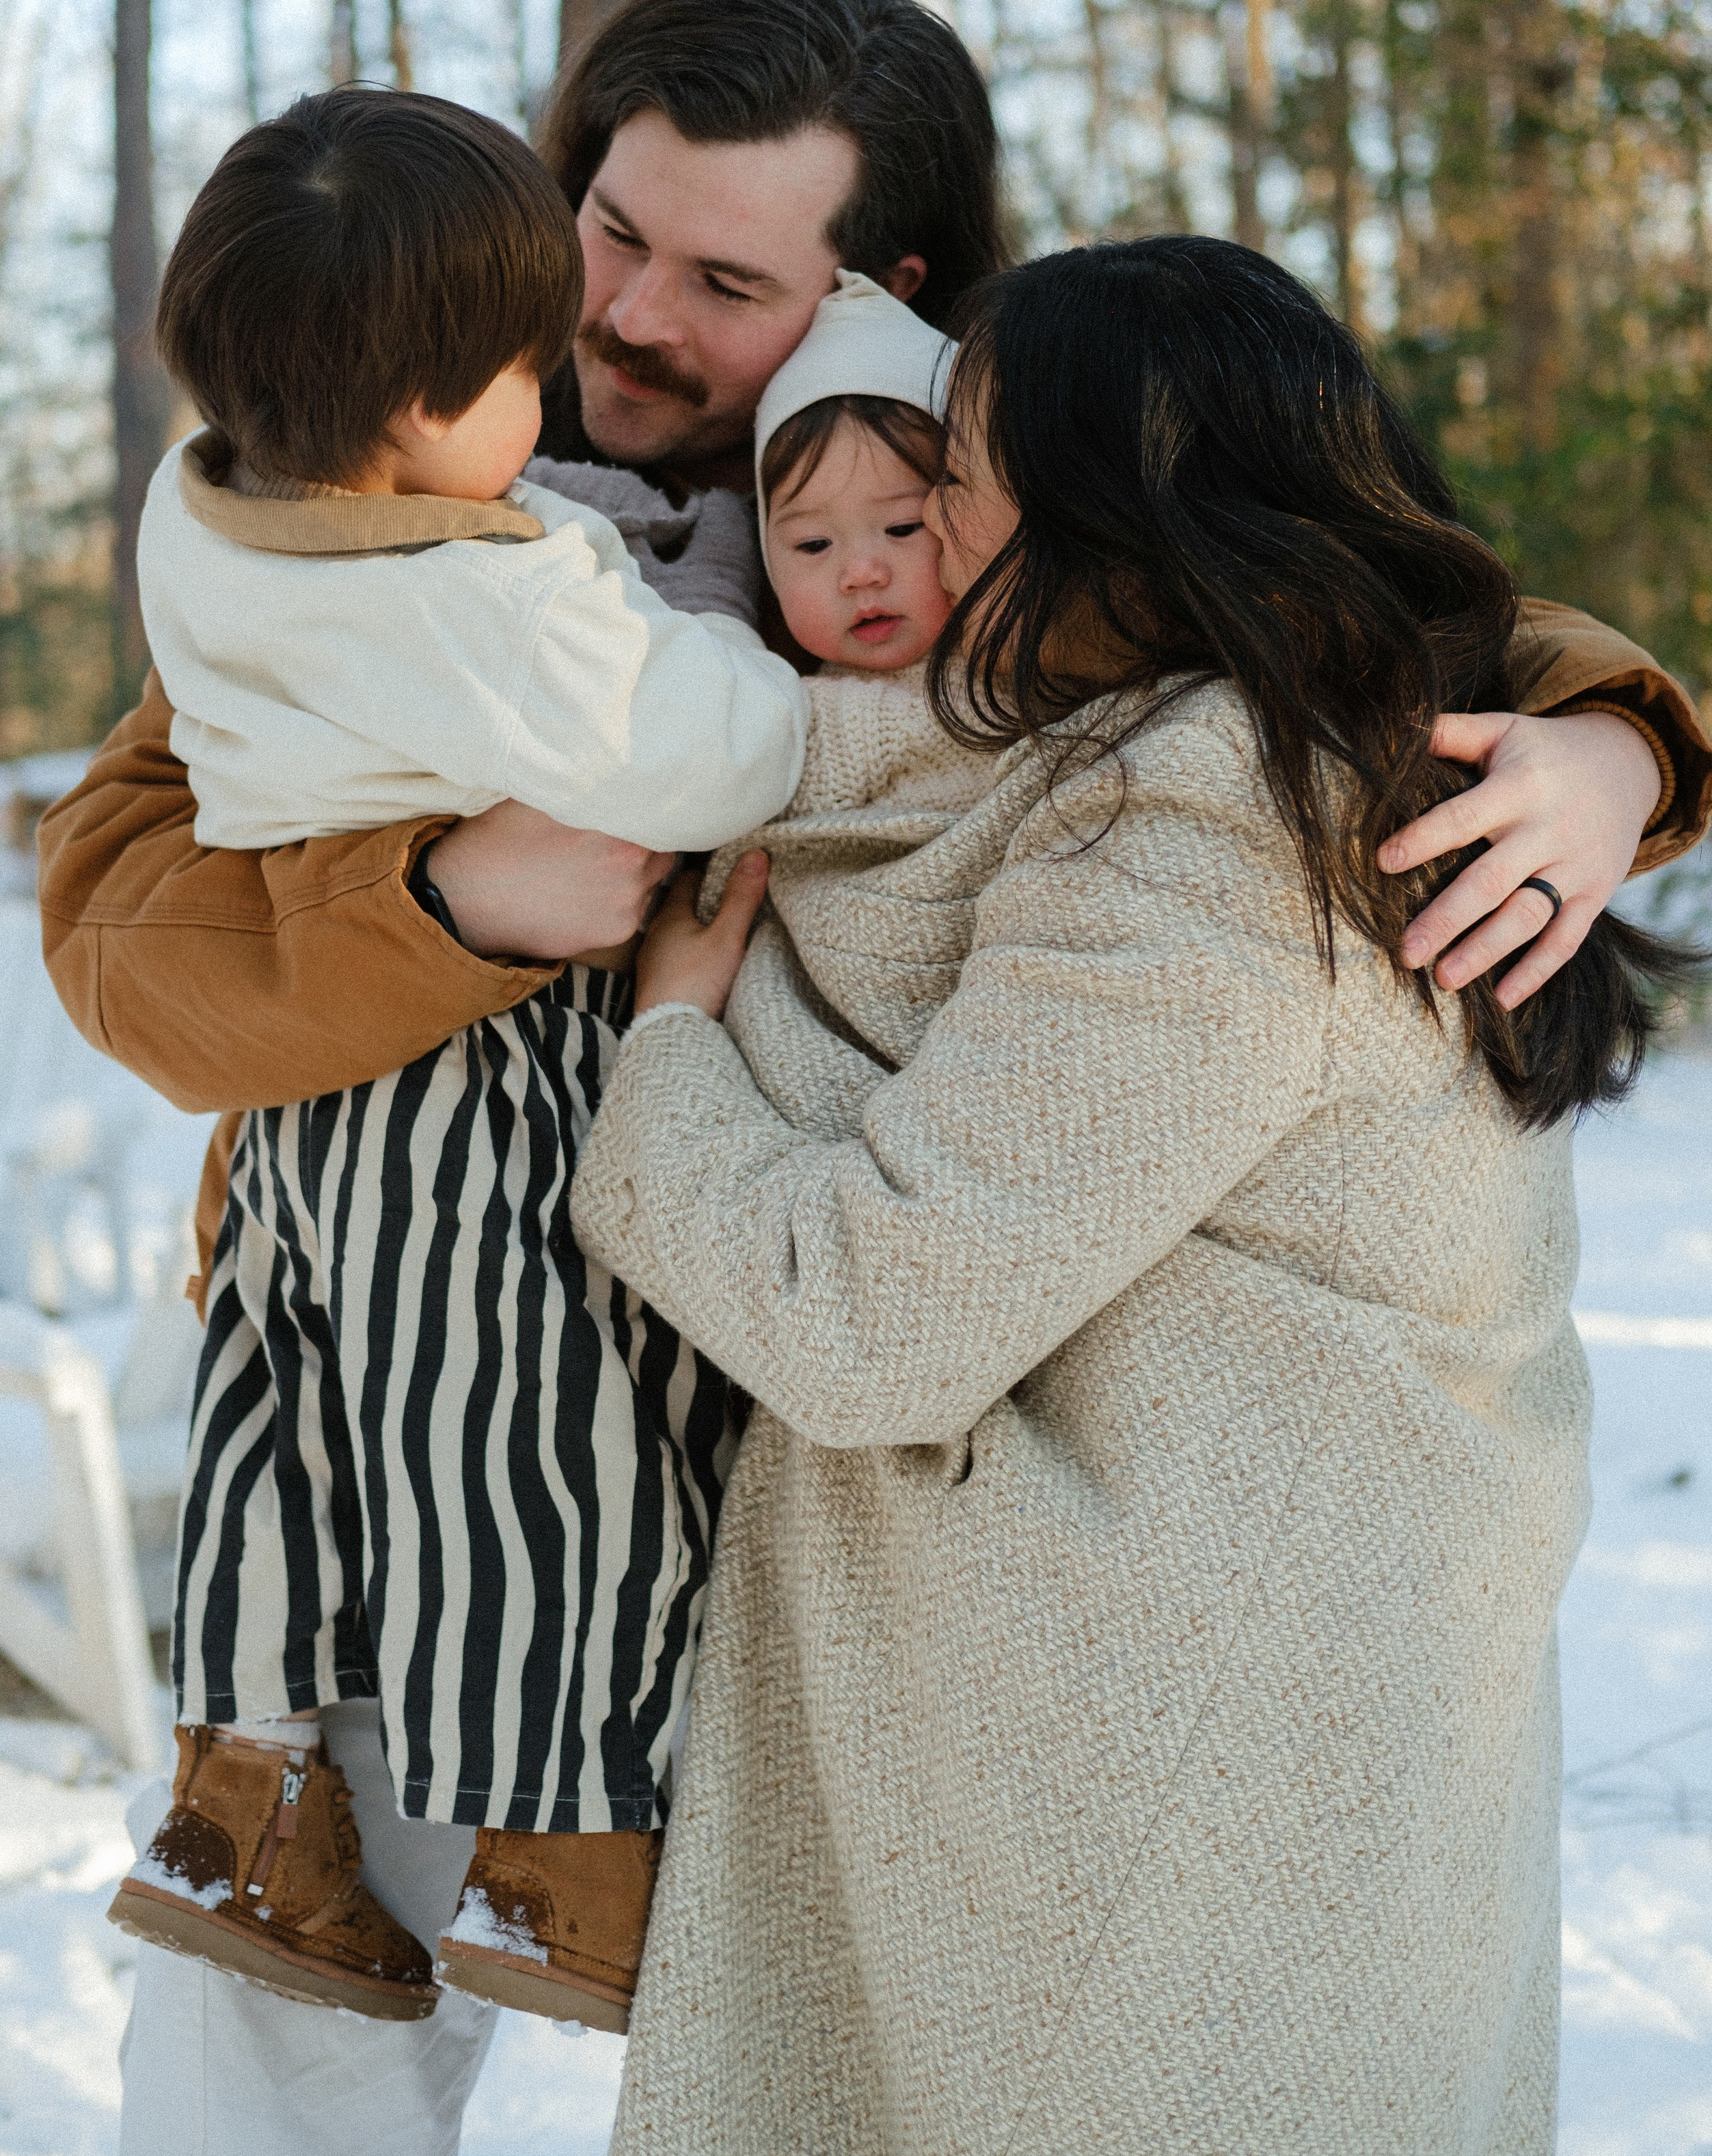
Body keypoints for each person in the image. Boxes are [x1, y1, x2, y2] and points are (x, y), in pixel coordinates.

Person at [36, 0, 1710, 2155]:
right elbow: (118, 920)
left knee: (848, 2055)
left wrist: (1614, 741)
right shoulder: (385, 482)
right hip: (454, 1398)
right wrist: (441, 900)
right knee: (287, 2031)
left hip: (837, 1418)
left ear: (880, 296)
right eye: (606, 231)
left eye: (720, 277)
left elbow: (1319, 580)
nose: (624, 314)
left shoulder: (951, 487)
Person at [567, 234, 1707, 2156]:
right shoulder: (1325, 726)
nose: (937, 512)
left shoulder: (1217, 813)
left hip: (1180, 1800)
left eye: (969, 466)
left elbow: (873, 1313)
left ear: (1111, 506)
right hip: (1296, 1759)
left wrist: (670, 1050)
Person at [111, 87, 807, 2032]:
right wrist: (728, 611)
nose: (566, 384)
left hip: (300, 1114)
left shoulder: (207, 506)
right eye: (530, 364)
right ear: (433, 410)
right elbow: (721, 748)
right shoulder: (488, 590)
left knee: (285, 1425)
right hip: (478, 1078)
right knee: (527, 1442)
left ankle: (242, 1802)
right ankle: (562, 1853)